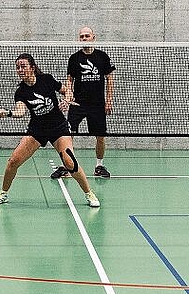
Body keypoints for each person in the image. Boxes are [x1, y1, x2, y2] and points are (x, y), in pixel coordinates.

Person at [0, 53, 100, 208]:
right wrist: (8, 113)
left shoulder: (46, 80)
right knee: (13, 161)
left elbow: (67, 91)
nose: (20, 70)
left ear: (32, 68)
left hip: (58, 128)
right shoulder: (21, 92)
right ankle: (3, 193)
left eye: (23, 66)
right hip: (37, 130)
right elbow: (20, 112)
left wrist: (67, 100)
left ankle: (89, 193)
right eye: (17, 67)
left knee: (70, 163)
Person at [50, 26, 116, 179]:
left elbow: (109, 79)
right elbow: (69, 80)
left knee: (100, 136)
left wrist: (109, 100)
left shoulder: (102, 57)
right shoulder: (74, 58)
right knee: (67, 135)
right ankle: (66, 166)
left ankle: (99, 166)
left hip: (97, 105)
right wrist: (69, 96)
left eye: (87, 36)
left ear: (94, 37)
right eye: (82, 36)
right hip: (78, 104)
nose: (84, 38)